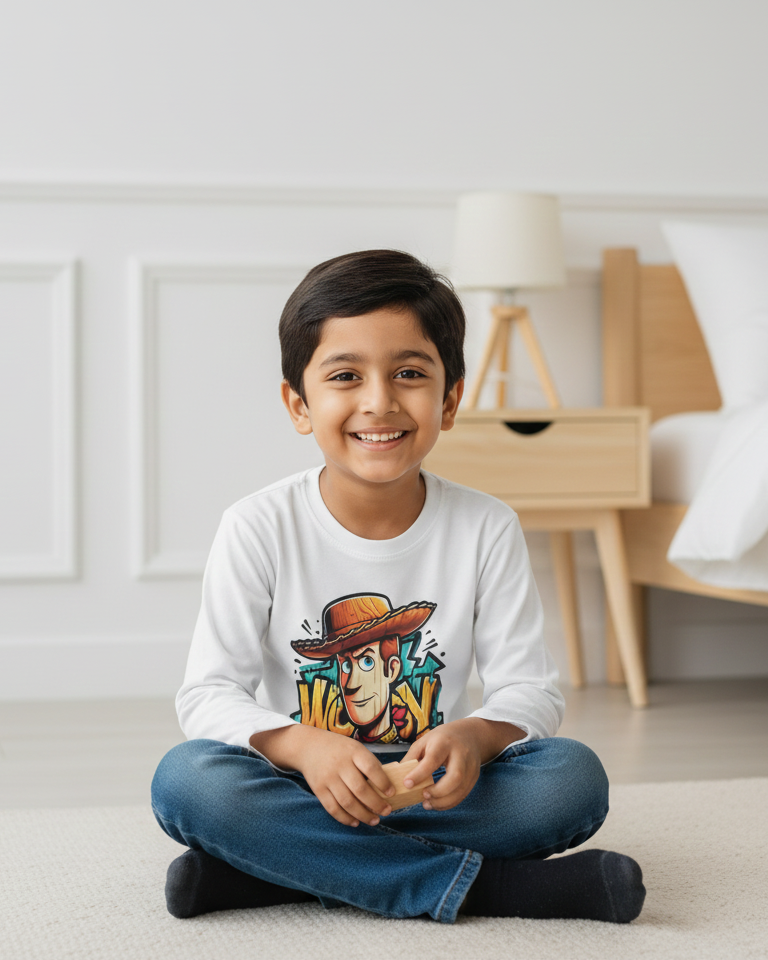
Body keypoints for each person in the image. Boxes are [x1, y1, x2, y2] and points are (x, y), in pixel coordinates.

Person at [151, 250, 645, 925]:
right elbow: (209, 696)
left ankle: (274, 870)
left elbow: (530, 691)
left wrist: (474, 737)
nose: (379, 401)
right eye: (345, 376)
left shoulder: (486, 526)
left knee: (571, 780)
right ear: (299, 404)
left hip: (434, 787)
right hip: (304, 782)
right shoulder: (257, 525)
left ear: (450, 400)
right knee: (186, 780)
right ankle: (494, 890)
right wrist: (305, 747)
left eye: (409, 374)